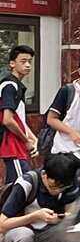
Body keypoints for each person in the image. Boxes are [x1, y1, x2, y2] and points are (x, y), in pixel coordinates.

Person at [1, 45, 37, 182]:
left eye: (30, 61)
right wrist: (26, 140)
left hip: (16, 146)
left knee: (14, 190)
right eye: (23, 61)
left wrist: (32, 138)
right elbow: (7, 120)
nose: (28, 65)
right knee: (23, 187)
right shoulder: (10, 85)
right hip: (12, 146)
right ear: (12, 63)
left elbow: (18, 119)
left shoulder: (16, 85)